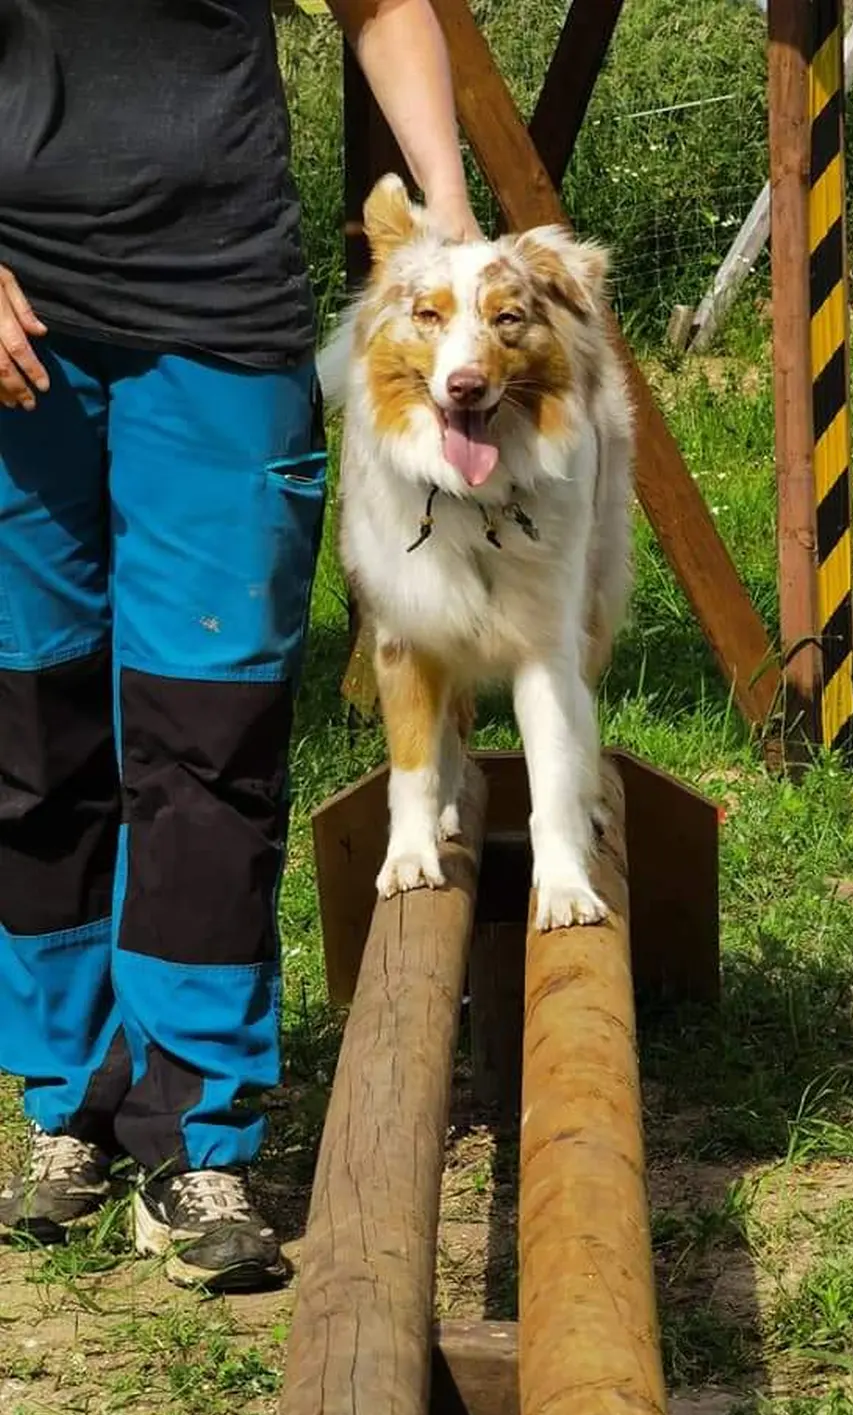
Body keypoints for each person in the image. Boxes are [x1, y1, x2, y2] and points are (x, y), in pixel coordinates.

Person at [0, 0, 478, 1291]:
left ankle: (194, 1140)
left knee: (206, 730)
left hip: (220, 311)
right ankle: (69, 1104)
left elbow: (383, 8)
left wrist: (447, 205)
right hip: (18, 316)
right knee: (31, 726)